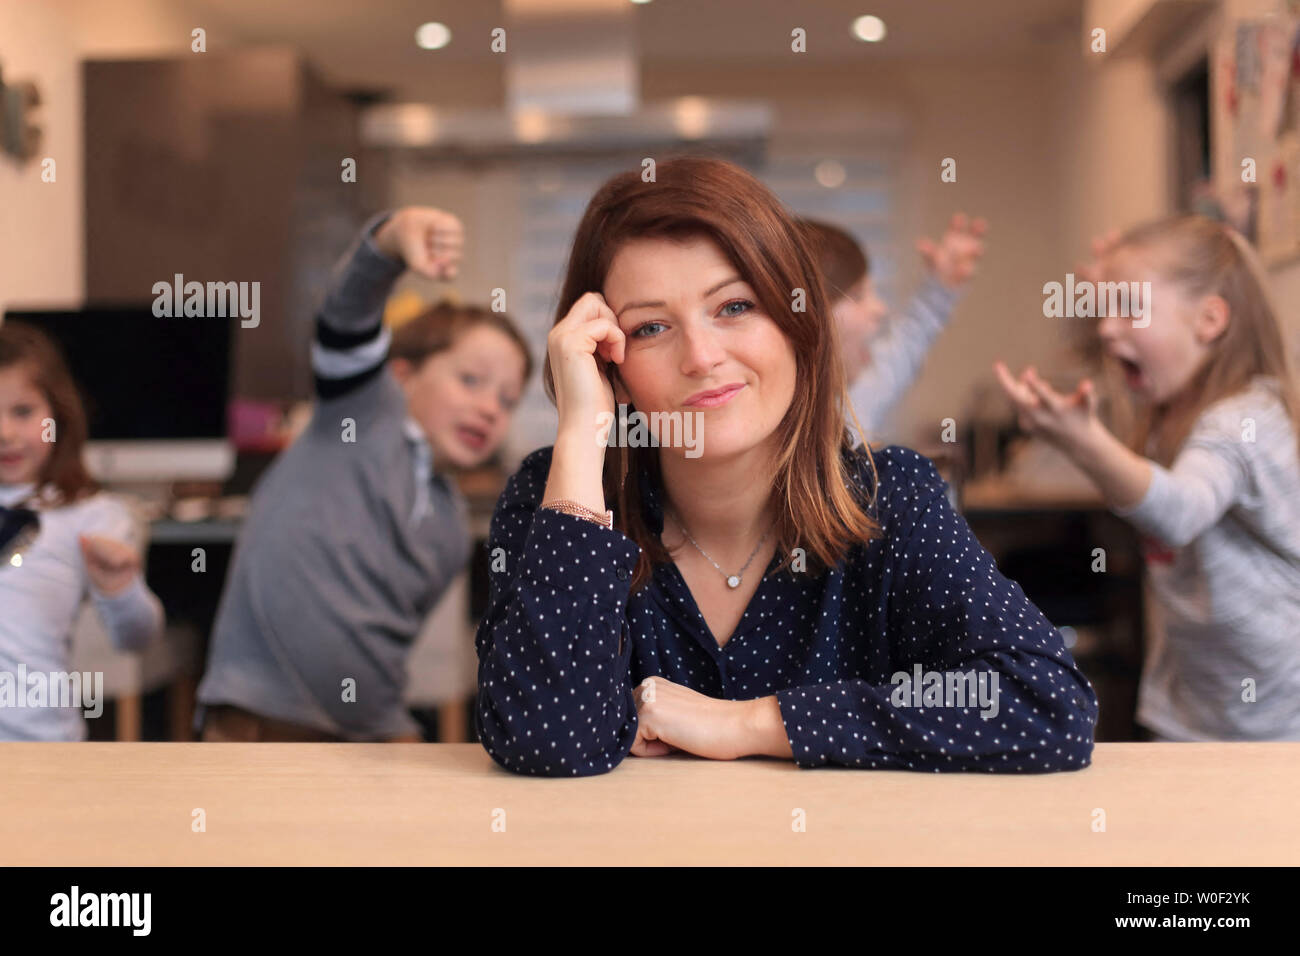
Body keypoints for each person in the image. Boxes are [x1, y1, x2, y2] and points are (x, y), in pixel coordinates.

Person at [475, 157, 1097, 776]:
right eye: (651, 327)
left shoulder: (891, 494)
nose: (701, 356)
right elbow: (545, 740)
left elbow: (1045, 705)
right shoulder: (554, 497)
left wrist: (753, 723)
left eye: (735, 307)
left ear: (797, 322)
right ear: (611, 366)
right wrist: (584, 428)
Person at [196, 207, 532, 742]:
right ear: (401, 376)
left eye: (508, 399)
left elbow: (389, 646)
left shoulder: (448, 523)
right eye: (471, 380)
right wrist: (389, 244)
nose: (491, 408)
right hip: (259, 718)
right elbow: (346, 314)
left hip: (366, 729)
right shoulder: (361, 413)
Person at [995, 215, 1300, 741]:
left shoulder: (1244, 421)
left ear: (1209, 321)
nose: (1108, 326)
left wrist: (1081, 441)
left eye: (1130, 307)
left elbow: (1178, 512)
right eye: (1103, 310)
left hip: (1272, 721)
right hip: (1190, 708)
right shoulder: (1166, 414)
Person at [0, 322, 163, 741]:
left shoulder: (91, 516)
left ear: (58, 413)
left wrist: (119, 588)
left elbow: (137, 637)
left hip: (41, 743)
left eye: (22, 411)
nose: (5, 433)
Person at [799, 214, 987, 441]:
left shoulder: (853, 402)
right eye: (858, 295)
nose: (880, 308)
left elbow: (903, 347)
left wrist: (942, 288)